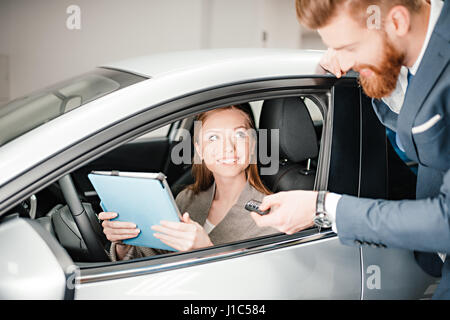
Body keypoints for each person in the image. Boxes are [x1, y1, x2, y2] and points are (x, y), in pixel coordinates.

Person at [251, 0, 449, 299]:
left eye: (349, 47)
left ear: (396, 21)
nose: (343, 63)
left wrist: (324, 206)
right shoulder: (412, 54)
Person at [99, 104, 277, 261]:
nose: (228, 148)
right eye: (214, 138)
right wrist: (125, 243)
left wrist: (206, 251)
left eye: (239, 134)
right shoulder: (187, 198)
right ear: (199, 149)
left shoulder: (271, 215)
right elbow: (156, 256)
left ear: (253, 144)